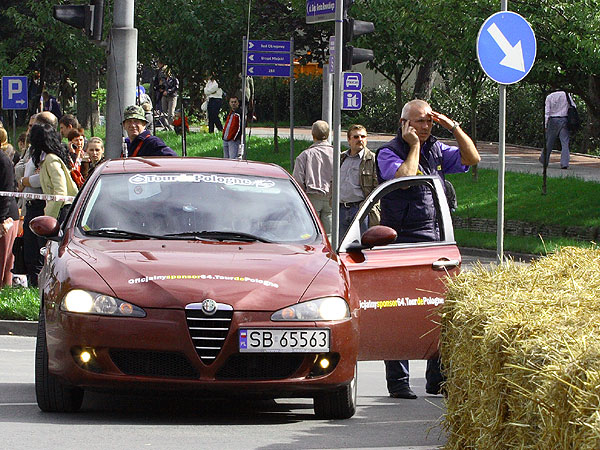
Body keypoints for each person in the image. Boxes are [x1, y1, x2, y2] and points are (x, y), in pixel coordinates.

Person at [376, 99, 480, 399]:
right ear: (404, 123)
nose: (426, 127)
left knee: (440, 310)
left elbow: (472, 158)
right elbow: (405, 180)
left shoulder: (436, 147)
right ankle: (398, 383)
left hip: (436, 241)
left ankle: (436, 379)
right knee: (398, 311)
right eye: (420, 121)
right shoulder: (388, 152)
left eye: (429, 122)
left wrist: (453, 126)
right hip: (401, 241)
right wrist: (414, 146)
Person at [29, 122, 78, 221]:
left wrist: (50, 216)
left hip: (61, 211)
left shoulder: (51, 159)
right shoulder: (47, 158)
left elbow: (60, 191)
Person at [292, 120, 334, 237]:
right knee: (329, 235)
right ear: (328, 134)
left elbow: (298, 181)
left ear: (313, 135)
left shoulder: (305, 155)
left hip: (312, 198)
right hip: (331, 198)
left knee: (311, 233)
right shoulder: (337, 154)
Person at [339, 124, 379, 239]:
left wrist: (369, 207)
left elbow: (378, 187)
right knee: (341, 247)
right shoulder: (341, 158)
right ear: (348, 140)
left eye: (363, 136)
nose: (360, 140)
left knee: (363, 246)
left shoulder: (373, 159)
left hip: (361, 211)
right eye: (356, 137)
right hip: (341, 210)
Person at [0, 146, 19, 287]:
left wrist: (1, 220)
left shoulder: (3, 161)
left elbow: (7, 191)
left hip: (5, 217)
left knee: (3, 264)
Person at [541, 90, 573, 169]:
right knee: (565, 142)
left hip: (553, 120)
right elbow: (573, 106)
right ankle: (564, 163)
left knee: (549, 142)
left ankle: (544, 160)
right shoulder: (566, 95)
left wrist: (545, 124)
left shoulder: (550, 97)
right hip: (565, 119)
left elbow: (547, 112)